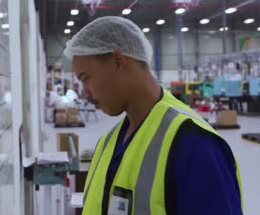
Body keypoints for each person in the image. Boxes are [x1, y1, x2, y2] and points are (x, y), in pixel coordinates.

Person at [63, 16, 243, 215]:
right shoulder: (107, 144)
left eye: (86, 78)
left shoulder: (194, 145)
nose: (85, 92)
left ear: (118, 60)